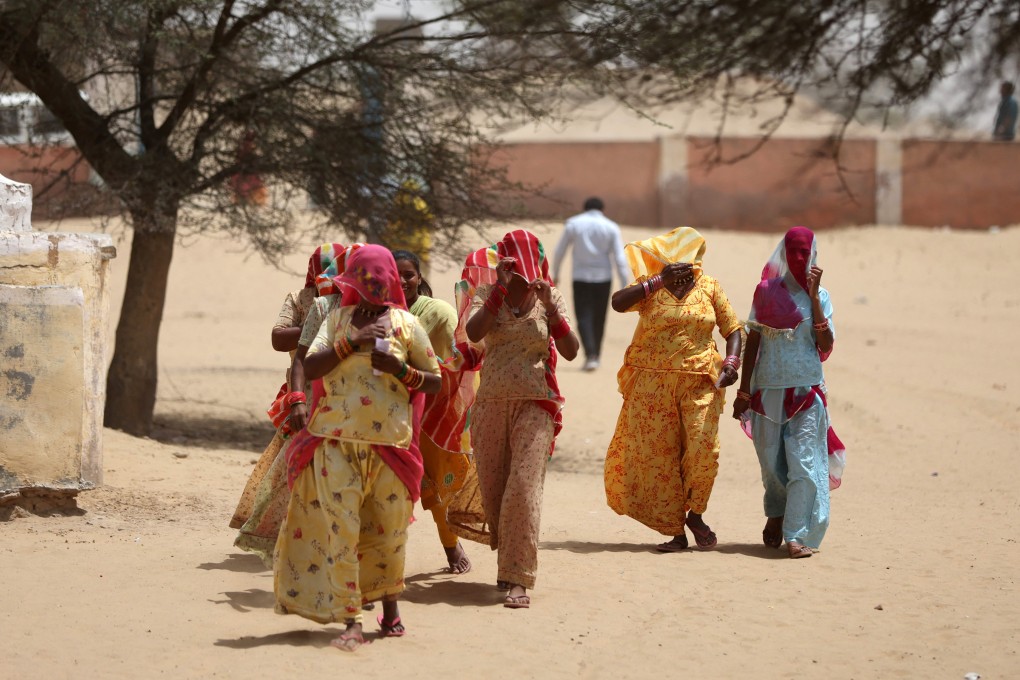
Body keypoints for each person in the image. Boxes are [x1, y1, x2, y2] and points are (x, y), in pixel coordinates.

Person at [273, 245, 441, 651]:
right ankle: (351, 618)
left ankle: (390, 606)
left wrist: (401, 370)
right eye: (364, 282)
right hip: (336, 443)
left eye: (378, 282)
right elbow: (308, 366)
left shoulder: (406, 325)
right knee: (342, 528)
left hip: (392, 447)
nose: (373, 289)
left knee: (388, 531)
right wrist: (353, 343)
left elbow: (435, 380)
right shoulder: (336, 320)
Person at [603, 227, 742, 552]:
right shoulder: (651, 286)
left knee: (704, 450)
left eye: (689, 260)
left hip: (700, 382)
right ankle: (675, 531)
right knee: (660, 459)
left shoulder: (709, 287)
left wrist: (732, 363)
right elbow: (618, 303)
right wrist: (657, 281)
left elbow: (732, 327)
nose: (685, 266)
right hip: (652, 387)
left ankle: (696, 513)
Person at [462, 229, 579, 609]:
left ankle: (518, 578)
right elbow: (474, 333)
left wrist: (553, 309)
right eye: (512, 262)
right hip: (491, 403)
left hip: (536, 402)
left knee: (523, 490)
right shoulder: (487, 294)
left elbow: (571, 350)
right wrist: (499, 289)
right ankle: (507, 562)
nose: (521, 273)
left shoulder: (548, 297)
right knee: (495, 491)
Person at [732, 226, 846, 559]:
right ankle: (776, 510)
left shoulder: (821, 297)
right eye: (793, 251)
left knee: (804, 463)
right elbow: (753, 340)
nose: (799, 258)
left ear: (814, 258)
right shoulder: (765, 292)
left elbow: (825, 345)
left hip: (806, 391)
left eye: (805, 253)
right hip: (767, 390)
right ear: (783, 254)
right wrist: (742, 390)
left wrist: (813, 297)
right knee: (772, 463)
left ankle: (795, 534)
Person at [229, 243, 342, 564]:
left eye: (335, 269)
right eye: (323, 269)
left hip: (341, 393)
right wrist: (314, 327)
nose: (328, 275)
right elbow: (278, 338)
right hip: (302, 391)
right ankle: (279, 533)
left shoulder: (350, 301)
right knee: (291, 467)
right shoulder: (301, 299)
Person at [392, 249, 487, 575]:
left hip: (434, 411)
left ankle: (450, 545)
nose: (403, 281)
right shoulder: (376, 312)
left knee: (438, 485)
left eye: (410, 274)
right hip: (386, 411)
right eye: (396, 274)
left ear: (420, 277)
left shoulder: (438, 312)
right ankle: (386, 558)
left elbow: (458, 361)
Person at [551, 197, 629, 372]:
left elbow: (559, 251)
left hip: (581, 276)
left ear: (584, 208)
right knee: (599, 317)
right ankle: (596, 355)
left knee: (583, 316)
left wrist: (556, 273)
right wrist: (624, 283)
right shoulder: (611, 227)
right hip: (604, 278)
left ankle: (590, 355)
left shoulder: (574, 224)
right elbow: (619, 257)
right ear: (602, 209)